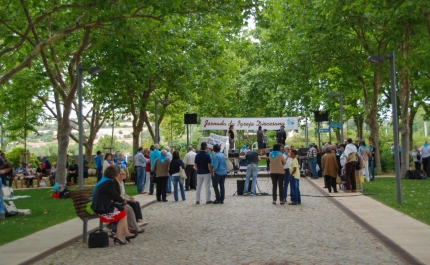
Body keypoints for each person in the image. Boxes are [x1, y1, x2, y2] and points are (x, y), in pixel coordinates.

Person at [91, 165, 137, 245]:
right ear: (114, 175)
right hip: (102, 209)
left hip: (100, 205)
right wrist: (123, 201)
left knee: (123, 212)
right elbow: (115, 195)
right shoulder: (109, 183)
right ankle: (118, 236)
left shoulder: (104, 180)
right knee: (123, 214)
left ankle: (126, 233)